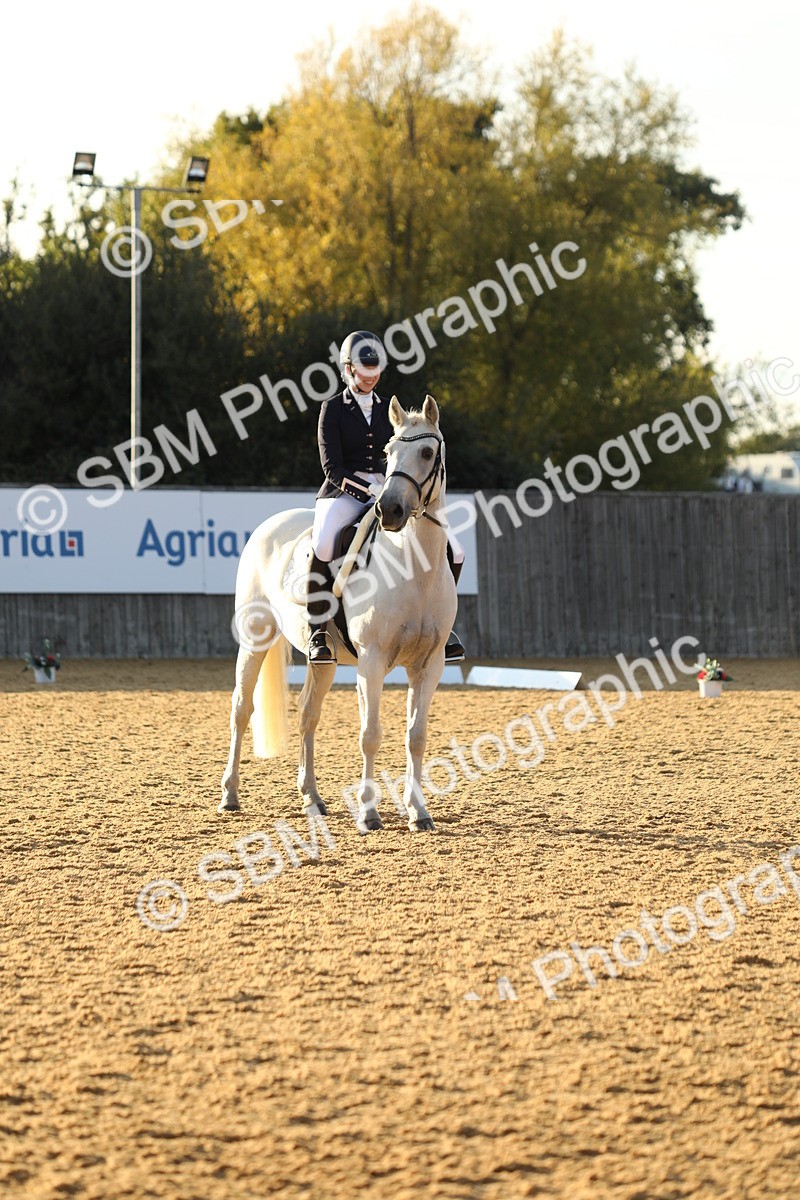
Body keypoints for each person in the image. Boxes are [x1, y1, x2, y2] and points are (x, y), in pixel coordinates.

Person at [306, 329, 466, 665]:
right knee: (323, 543)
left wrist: (392, 485)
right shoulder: (332, 409)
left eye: (376, 371)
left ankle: (443, 625)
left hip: (392, 488)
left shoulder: (389, 410)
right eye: (365, 371)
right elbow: (331, 466)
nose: (371, 377)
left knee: (456, 549)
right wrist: (365, 489)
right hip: (343, 492)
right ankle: (318, 630)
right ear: (348, 369)